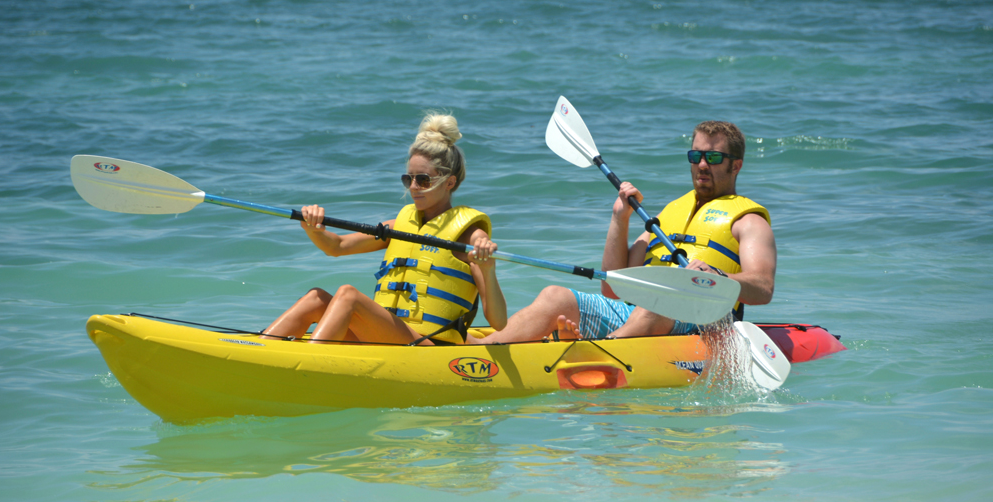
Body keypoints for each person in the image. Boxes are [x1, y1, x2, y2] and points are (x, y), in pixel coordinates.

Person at [473, 120, 775, 343]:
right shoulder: (669, 214)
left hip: (702, 321)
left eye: (713, 158)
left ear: (736, 166)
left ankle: (595, 353)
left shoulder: (748, 220)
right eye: (695, 157)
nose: (702, 166)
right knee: (555, 296)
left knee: (655, 305)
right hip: (640, 313)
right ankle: (477, 352)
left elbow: (762, 288)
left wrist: (716, 277)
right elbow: (613, 286)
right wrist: (620, 217)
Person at [263, 113, 507, 345]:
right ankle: (260, 347)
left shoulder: (471, 237)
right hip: (388, 335)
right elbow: (336, 246)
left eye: (423, 180)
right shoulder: (400, 225)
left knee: (348, 295)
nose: (413, 187)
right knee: (315, 298)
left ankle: (309, 361)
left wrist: (488, 269)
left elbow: (498, 322)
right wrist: (314, 229)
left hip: (428, 345)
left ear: (449, 182)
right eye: (408, 179)